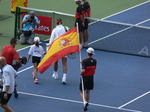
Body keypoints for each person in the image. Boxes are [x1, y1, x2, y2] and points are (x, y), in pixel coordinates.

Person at [49, 18, 69, 84]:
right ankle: (64, 77)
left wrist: (49, 49)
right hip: (64, 47)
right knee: (64, 63)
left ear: (56, 22)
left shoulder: (54, 30)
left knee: (55, 61)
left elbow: (51, 41)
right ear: (61, 22)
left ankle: (55, 74)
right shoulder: (66, 29)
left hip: (57, 47)